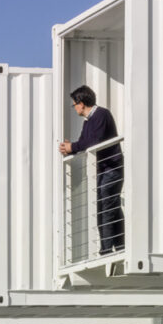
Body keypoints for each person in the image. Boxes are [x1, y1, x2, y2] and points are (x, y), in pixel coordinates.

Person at [58, 85, 125, 254]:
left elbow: (95, 141)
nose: (74, 108)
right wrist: (70, 147)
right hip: (104, 170)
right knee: (111, 207)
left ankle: (107, 251)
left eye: (74, 105)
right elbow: (83, 142)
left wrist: (73, 146)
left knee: (106, 209)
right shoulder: (88, 121)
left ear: (81, 103)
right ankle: (120, 246)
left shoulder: (101, 114)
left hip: (111, 169)